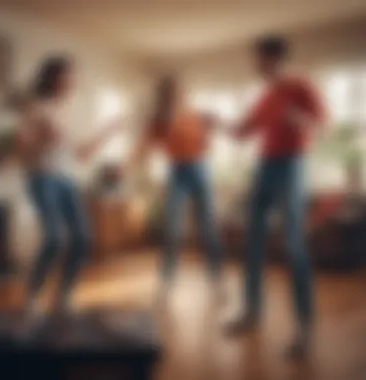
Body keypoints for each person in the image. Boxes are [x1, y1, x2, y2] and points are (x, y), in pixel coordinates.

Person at [226, 36, 325, 357]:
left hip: (292, 165)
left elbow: (321, 125)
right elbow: (241, 133)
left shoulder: (301, 86)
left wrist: (297, 118)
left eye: (261, 59)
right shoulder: (265, 97)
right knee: (253, 240)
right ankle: (252, 313)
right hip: (265, 166)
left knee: (294, 243)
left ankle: (305, 329)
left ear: (276, 57)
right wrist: (217, 123)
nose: (257, 66)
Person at [16, 56, 124, 322]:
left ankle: (64, 297)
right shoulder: (37, 108)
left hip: (68, 180)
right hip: (42, 177)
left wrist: (109, 130)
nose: (72, 81)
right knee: (55, 237)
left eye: (73, 76)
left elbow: (83, 154)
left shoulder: (70, 112)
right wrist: (42, 139)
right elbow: (21, 148)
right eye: (67, 76)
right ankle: (33, 294)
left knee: (84, 237)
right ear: (53, 79)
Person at [128, 76, 224, 299]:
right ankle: (167, 282)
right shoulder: (157, 121)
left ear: (182, 94)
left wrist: (212, 128)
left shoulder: (195, 115)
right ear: (162, 97)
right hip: (176, 172)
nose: (172, 97)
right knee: (172, 230)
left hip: (199, 170)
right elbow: (143, 148)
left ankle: (216, 281)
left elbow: (207, 144)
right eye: (167, 94)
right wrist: (128, 164)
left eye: (176, 93)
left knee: (209, 229)